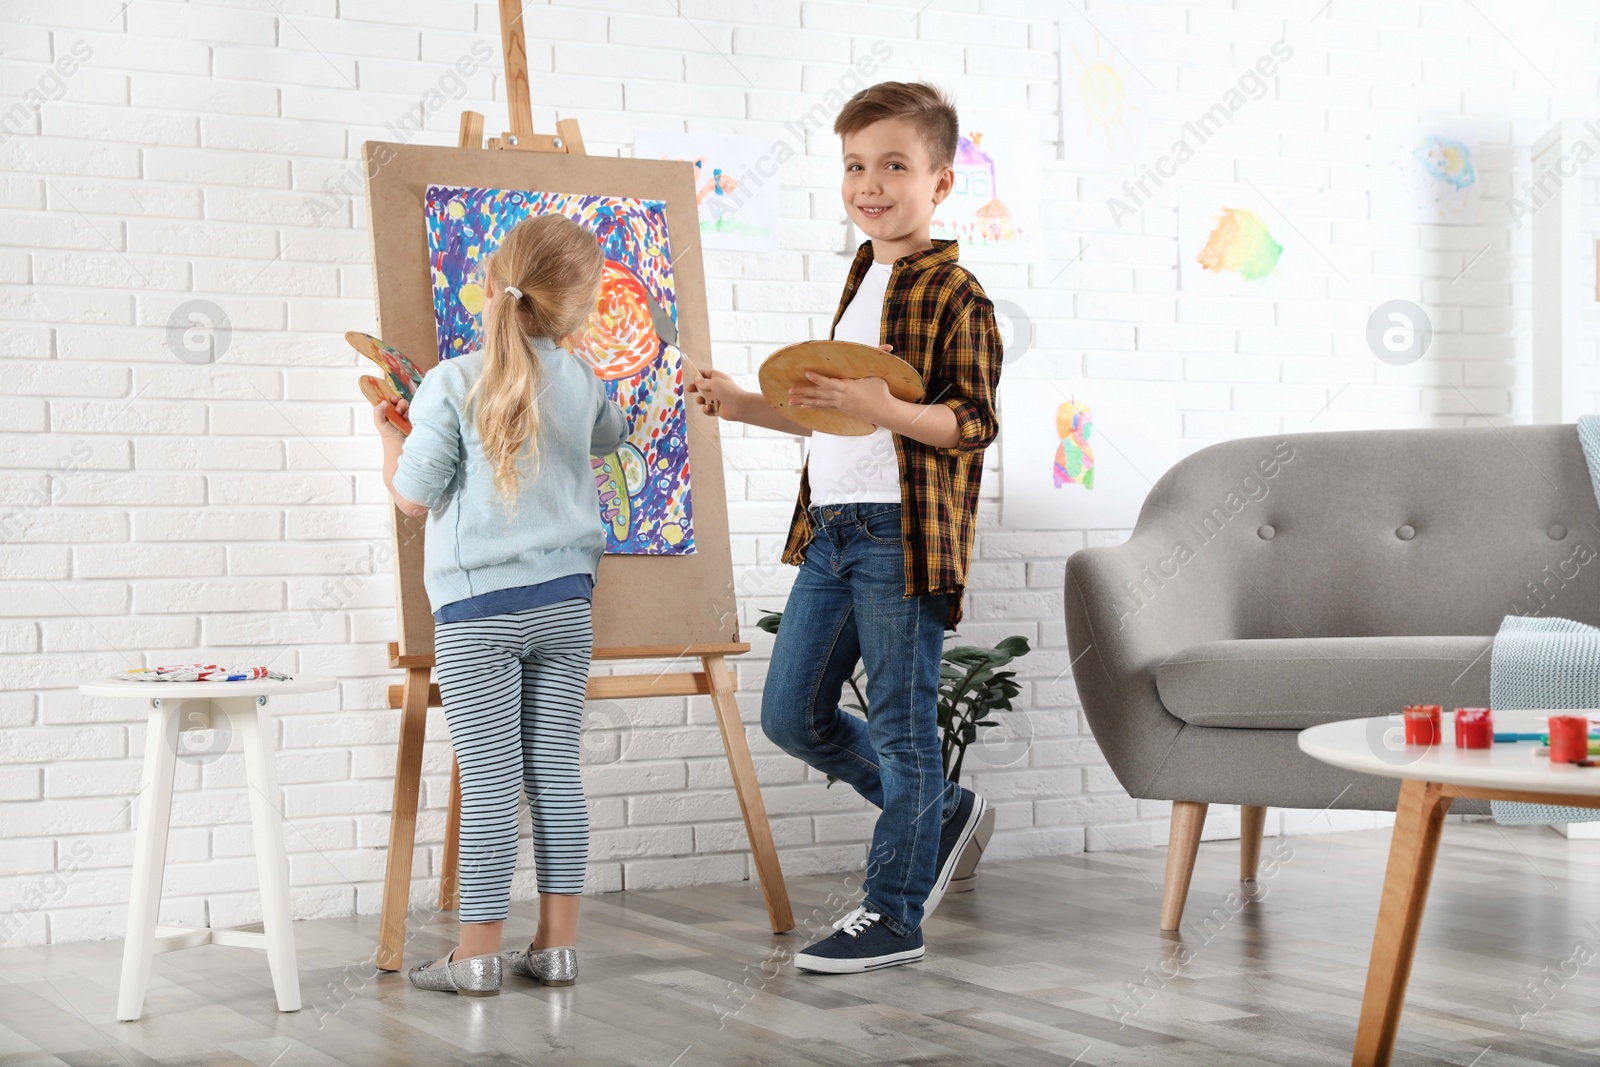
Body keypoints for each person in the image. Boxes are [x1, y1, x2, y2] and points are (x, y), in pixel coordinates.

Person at [688, 80, 1002, 974]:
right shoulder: (865, 275)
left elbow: (969, 423)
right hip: (832, 531)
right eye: (856, 166)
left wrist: (885, 406)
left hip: (902, 536)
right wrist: (745, 405)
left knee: (904, 731)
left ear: (939, 183)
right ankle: (937, 812)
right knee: (793, 713)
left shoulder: (955, 294)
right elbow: (837, 418)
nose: (871, 183)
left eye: (894, 165)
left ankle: (893, 913)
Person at [374, 213, 627, 996]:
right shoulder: (585, 381)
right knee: (554, 773)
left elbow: (412, 498)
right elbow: (610, 438)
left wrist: (394, 433)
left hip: (478, 612)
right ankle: (555, 947)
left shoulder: (451, 381)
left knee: (487, 778)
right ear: (577, 313)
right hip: (566, 607)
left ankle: (476, 952)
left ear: (491, 286)